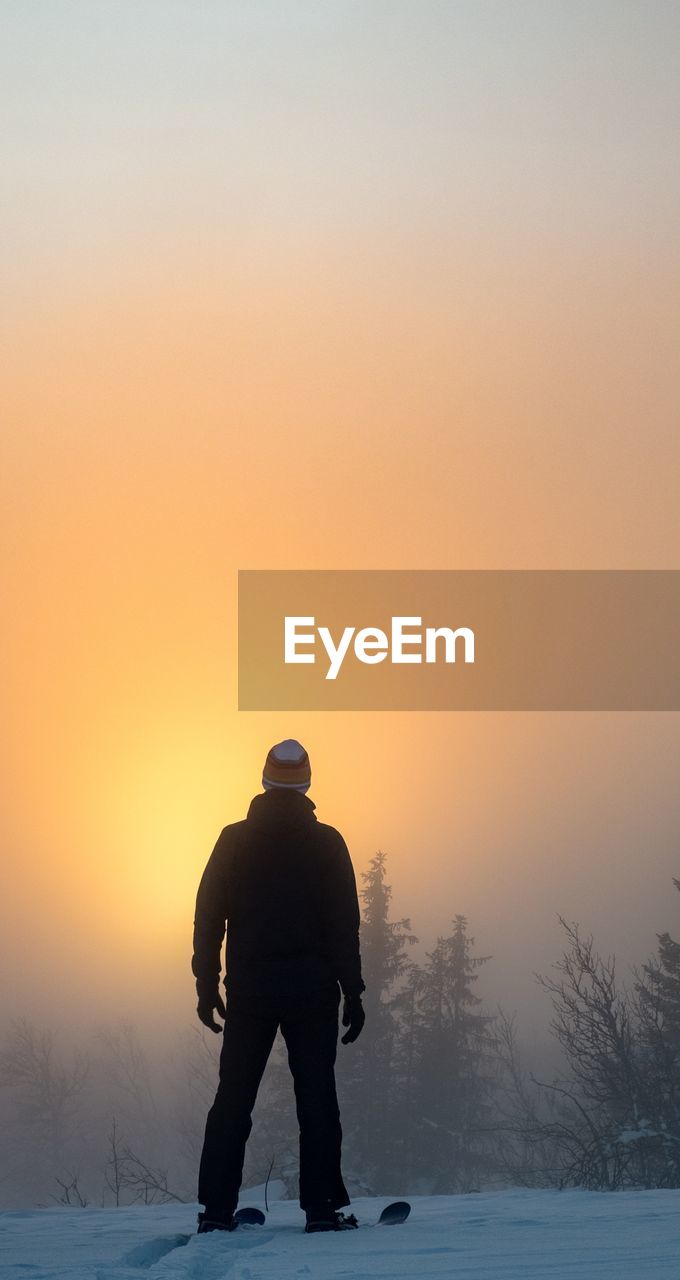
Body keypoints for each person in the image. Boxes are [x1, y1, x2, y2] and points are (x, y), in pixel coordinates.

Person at [192, 738, 366, 1234]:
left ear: (264, 782)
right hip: (313, 991)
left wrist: (208, 984)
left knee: (234, 1098)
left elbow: (209, 916)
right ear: (307, 783)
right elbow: (343, 924)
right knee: (317, 1098)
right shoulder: (327, 842)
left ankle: (216, 1212)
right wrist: (353, 992)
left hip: (251, 990)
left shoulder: (233, 841)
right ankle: (322, 1209)